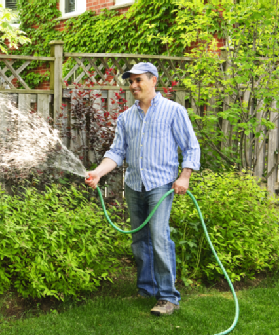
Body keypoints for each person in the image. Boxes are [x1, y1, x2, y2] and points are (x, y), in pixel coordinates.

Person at [85, 62, 200, 316]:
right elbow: (116, 152)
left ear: (154, 80)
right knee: (140, 240)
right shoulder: (126, 117)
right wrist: (98, 173)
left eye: (139, 80)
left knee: (159, 237)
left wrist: (185, 176)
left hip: (161, 185)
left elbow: (191, 147)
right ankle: (146, 288)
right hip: (134, 185)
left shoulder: (173, 111)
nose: (134, 85)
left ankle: (168, 296)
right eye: (131, 81)